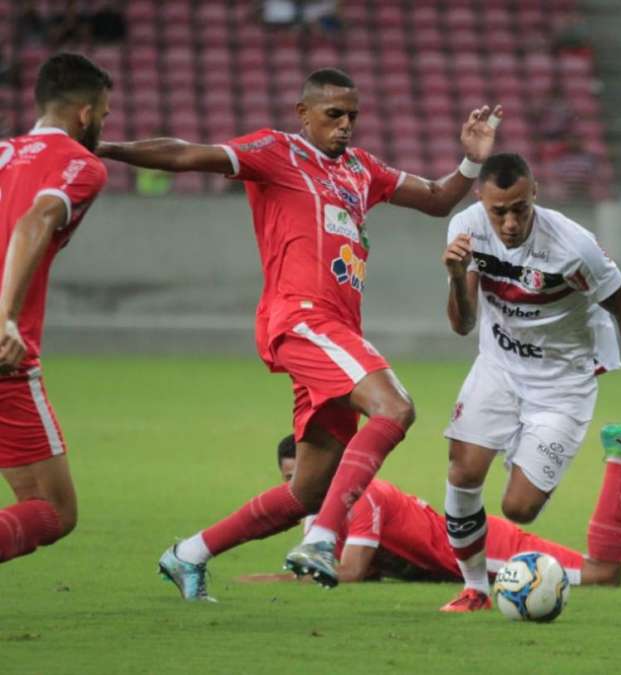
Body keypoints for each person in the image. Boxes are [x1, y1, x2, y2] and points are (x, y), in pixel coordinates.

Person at [98, 68, 502, 600]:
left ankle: (189, 553)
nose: (345, 125)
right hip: (302, 317)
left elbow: (434, 197)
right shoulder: (276, 151)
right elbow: (184, 153)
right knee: (396, 408)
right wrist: (102, 147)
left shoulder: (362, 169)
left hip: (336, 329)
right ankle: (323, 541)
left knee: (307, 490)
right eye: (334, 114)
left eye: (352, 115)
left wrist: (472, 159)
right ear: (303, 114)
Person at [440, 153, 621, 611]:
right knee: (464, 471)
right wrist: (455, 277)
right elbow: (463, 324)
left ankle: (535, 453)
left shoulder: (574, 246)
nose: (509, 223)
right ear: (480, 200)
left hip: (562, 382)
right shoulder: (466, 230)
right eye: (498, 211)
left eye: (519, 209)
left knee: (518, 508)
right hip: (499, 367)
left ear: (535, 195)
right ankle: (475, 589)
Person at [242, 427, 621, 586]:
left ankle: (619, 456)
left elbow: (350, 572)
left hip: (483, 550)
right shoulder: (316, 513)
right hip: (465, 550)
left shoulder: (366, 496)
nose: (299, 486)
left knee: (603, 575)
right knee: (603, 566)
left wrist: (274, 580)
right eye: (290, 479)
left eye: (304, 474)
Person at [0, 53, 112, 563]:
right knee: (52, 508)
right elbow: (33, 222)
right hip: (4, 355)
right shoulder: (81, 165)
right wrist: (4, 318)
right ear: (86, 113)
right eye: (105, 116)